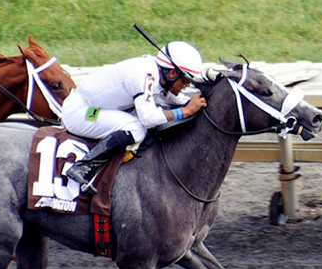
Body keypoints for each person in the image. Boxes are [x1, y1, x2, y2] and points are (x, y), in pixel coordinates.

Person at [58, 41, 209, 194]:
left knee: (149, 117)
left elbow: (170, 99)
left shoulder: (156, 73)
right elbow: (149, 118)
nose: (187, 86)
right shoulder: (144, 75)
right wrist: (185, 111)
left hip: (95, 108)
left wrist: (192, 103)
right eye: (186, 80)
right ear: (171, 74)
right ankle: (83, 167)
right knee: (136, 127)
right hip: (83, 112)